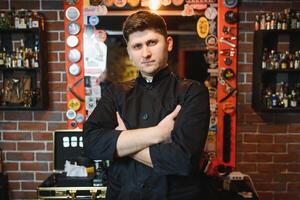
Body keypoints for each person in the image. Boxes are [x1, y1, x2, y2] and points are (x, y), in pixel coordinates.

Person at [83, 10, 210, 200]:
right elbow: (91, 143)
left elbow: (182, 160)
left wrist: (123, 140)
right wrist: (157, 134)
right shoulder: (115, 93)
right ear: (129, 52)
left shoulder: (193, 92)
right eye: (137, 46)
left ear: (168, 44)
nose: (146, 53)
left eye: (152, 42)